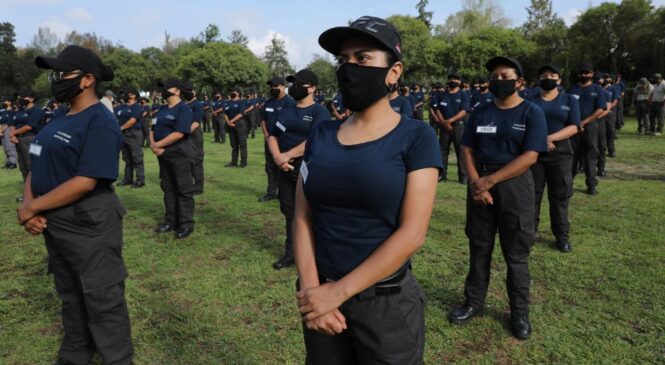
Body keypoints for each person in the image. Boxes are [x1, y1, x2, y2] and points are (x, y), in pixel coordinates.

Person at [295, 16, 442, 364]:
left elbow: (413, 233)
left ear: (394, 72)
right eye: (343, 60)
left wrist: (337, 293)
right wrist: (313, 292)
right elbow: (302, 217)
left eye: (363, 58)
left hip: (386, 307)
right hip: (319, 300)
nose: (350, 68)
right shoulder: (321, 134)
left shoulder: (416, 138)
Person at [19, 45, 133, 365]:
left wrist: (33, 207)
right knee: (69, 294)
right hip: (54, 221)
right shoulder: (58, 116)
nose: (55, 80)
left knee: (103, 299)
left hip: (89, 222)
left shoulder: (99, 120)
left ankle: (116, 358)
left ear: (87, 80)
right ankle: (76, 353)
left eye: (61, 74)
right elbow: (37, 164)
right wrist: (31, 206)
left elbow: (87, 180)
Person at [449, 56, 547, 340]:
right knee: (479, 247)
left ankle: (519, 313)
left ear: (519, 82)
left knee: (516, 252)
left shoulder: (531, 112)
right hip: (479, 184)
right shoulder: (480, 112)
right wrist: (476, 184)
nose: (498, 80)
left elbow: (531, 156)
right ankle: (473, 303)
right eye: (494, 75)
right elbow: (466, 148)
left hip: (514, 186)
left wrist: (489, 181)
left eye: (505, 75)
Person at [268, 69, 331, 270]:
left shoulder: (319, 112)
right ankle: (291, 253)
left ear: (312, 88)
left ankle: (316, 255)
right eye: (292, 84)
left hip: (308, 169)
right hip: (284, 169)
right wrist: (279, 158)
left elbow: (314, 141)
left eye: (299, 84)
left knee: (311, 213)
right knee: (290, 213)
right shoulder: (286, 110)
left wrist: (287, 155)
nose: (294, 87)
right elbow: (272, 136)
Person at [530, 65, 580, 253]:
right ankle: (530, 234)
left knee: (560, 196)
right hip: (535, 153)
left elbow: (574, 126)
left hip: (560, 153)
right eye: (544, 76)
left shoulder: (569, 100)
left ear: (559, 80)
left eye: (552, 75)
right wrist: (540, 140)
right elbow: (524, 123)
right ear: (538, 80)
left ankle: (561, 237)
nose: (548, 78)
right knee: (533, 195)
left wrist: (550, 138)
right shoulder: (529, 99)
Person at [151, 78, 196, 239]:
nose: (163, 91)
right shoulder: (161, 109)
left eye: (166, 88)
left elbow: (180, 132)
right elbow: (153, 127)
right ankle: (170, 221)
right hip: (163, 154)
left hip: (180, 153)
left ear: (177, 91)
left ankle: (186, 224)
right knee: (168, 187)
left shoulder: (183, 109)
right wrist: (153, 143)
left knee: (183, 189)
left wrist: (158, 145)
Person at [566, 63, 606, 195]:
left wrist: (584, 122)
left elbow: (600, 109)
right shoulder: (571, 90)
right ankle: (568, 185)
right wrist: (575, 124)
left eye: (587, 73)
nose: (584, 75)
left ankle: (591, 185)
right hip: (572, 128)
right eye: (582, 73)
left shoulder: (597, 90)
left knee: (590, 156)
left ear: (592, 74)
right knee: (572, 156)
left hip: (590, 128)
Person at [260, 77, 296, 202]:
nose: (273, 89)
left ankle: (283, 193)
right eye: (271, 86)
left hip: (283, 141)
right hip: (270, 140)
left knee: (283, 166)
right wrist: (267, 135)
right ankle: (271, 192)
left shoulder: (290, 102)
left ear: (283, 86)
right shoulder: (268, 102)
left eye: (276, 86)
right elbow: (263, 120)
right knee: (270, 167)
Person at [432, 72, 469, 184]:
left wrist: (450, 121)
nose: (452, 81)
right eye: (450, 79)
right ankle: (442, 175)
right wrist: (444, 122)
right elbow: (437, 109)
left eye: (455, 79)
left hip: (458, 126)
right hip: (444, 127)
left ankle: (463, 177)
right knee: (442, 151)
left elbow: (464, 111)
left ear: (459, 82)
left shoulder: (463, 94)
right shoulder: (442, 94)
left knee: (460, 151)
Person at [10, 88, 45, 182]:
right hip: (19, 139)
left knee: (32, 164)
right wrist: (12, 136)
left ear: (31, 98)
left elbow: (29, 126)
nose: (20, 99)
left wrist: (13, 133)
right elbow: (14, 123)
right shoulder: (20, 111)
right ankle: (27, 191)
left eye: (23, 97)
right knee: (22, 165)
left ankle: (36, 190)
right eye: (19, 97)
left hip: (32, 139)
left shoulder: (36, 111)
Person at [116, 87, 145, 188]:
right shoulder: (121, 106)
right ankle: (128, 179)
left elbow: (133, 120)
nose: (124, 95)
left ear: (133, 95)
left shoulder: (136, 106)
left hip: (133, 134)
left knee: (137, 158)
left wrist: (121, 128)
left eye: (126, 93)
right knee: (127, 158)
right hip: (123, 135)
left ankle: (140, 180)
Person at [183, 83, 205, 195]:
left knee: (197, 161)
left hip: (194, 136)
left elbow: (196, 123)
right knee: (186, 161)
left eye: (190, 90)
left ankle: (198, 187)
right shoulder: (183, 105)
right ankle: (188, 185)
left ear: (194, 92)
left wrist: (184, 133)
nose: (188, 92)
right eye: (186, 90)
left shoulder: (197, 104)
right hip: (184, 137)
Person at [224, 88, 253, 168]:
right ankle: (234, 162)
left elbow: (241, 114)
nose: (232, 92)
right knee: (233, 144)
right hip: (230, 125)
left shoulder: (242, 102)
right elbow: (225, 113)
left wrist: (231, 121)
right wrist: (228, 122)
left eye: (234, 91)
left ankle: (243, 163)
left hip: (240, 124)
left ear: (238, 93)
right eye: (231, 91)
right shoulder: (228, 102)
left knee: (242, 143)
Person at [0, 97, 18, 169]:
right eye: (1, 102)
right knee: (4, 147)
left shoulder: (12, 112)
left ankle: (13, 162)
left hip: (9, 128)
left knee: (10, 146)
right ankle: (8, 162)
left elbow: (9, 122)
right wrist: (0, 130)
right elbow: (1, 121)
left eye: (4, 101)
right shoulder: (2, 112)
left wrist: (1, 130)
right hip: (2, 129)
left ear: (9, 102)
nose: (3, 103)